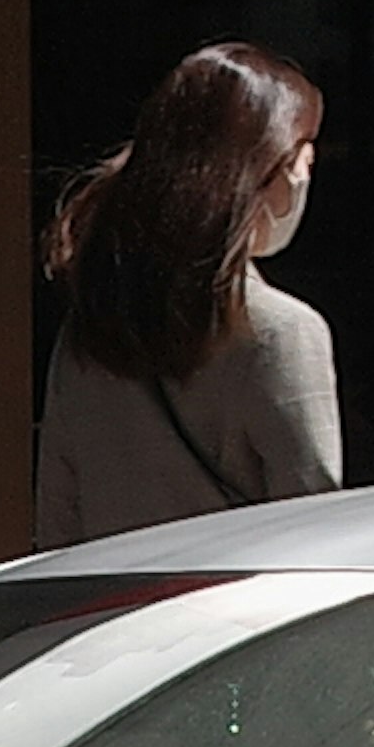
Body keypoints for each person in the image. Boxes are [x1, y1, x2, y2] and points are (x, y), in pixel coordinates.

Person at [34, 42, 340, 545]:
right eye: (305, 157)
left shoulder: (89, 329)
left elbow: (57, 529)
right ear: (267, 174)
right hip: (240, 621)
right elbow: (314, 538)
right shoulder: (282, 333)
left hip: (114, 616)